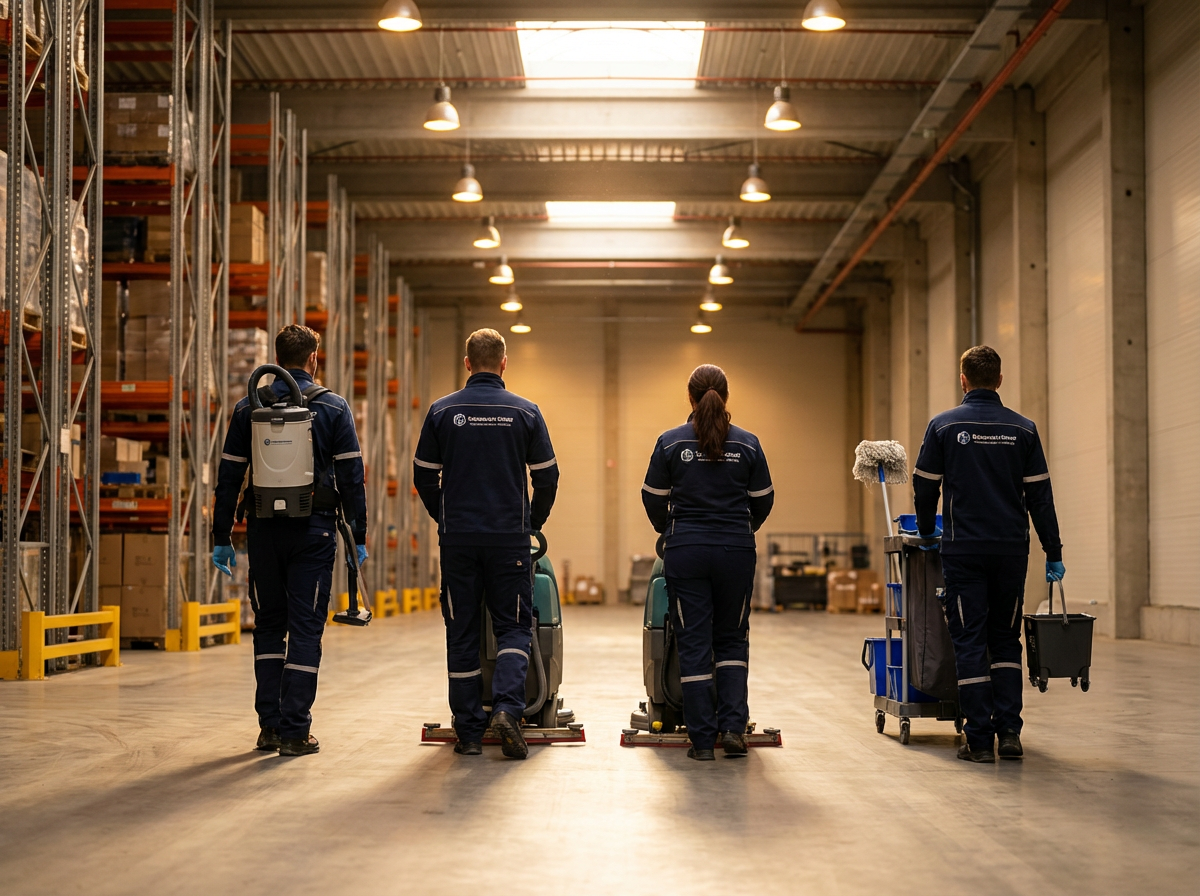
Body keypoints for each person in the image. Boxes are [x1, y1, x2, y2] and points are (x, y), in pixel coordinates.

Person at [211, 324, 367, 757]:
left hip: (262, 532)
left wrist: (222, 536)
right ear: (314, 358)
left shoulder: (249, 407)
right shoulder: (334, 407)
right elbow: (353, 477)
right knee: (305, 629)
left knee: (268, 626)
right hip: (313, 533)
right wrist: (360, 534)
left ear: (276, 358)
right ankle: (296, 730)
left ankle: (270, 728)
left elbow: (228, 478)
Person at [913, 345, 1064, 764]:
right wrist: (1053, 550)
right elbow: (1041, 498)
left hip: (964, 552)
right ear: (999, 380)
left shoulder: (943, 427)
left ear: (963, 380)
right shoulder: (1024, 430)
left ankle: (979, 740)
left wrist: (927, 532)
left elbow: (925, 486)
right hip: (1011, 552)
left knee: (970, 642)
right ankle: (1010, 735)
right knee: (1005, 641)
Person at [413, 328, 559, 760]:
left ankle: (469, 732)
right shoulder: (525, 412)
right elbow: (547, 476)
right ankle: (509, 712)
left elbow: (424, 476)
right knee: (513, 627)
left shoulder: (443, 411)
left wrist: (447, 517)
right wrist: (531, 522)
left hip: (458, 540)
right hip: (508, 541)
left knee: (460, 631)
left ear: (467, 363)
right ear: (503, 363)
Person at [641, 364, 774, 761]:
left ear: (690, 397)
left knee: (694, 642)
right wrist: (741, 528)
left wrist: (671, 529)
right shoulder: (748, 444)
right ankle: (732, 729)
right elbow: (763, 500)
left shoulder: (670, 443)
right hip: (736, 551)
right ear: (726, 397)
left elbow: (651, 498)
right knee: (732, 638)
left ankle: (702, 742)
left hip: (687, 552)